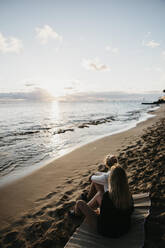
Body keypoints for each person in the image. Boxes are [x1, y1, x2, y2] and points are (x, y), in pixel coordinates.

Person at [70, 165, 134, 238]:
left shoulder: (107, 196)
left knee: (79, 203)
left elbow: (103, 216)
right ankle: (87, 202)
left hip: (107, 231)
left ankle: (77, 215)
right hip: (125, 228)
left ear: (111, 180)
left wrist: (94, 213)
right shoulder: (128, 195)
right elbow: (130, 211)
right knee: (99, 194)